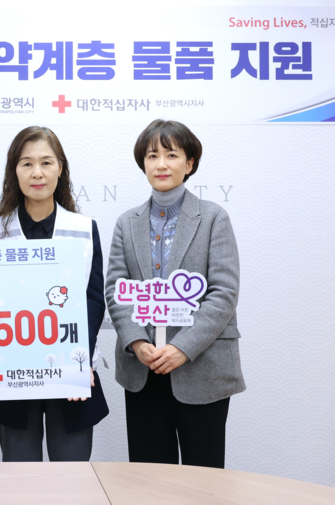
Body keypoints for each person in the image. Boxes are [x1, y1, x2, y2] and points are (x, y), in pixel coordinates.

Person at [105, 119, 245, 468]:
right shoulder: (126, 222)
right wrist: (138, 342)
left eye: (171, 155)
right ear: (143, 164)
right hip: (143, 367)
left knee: (203, 477)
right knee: (150, 477)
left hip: (202, 367)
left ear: (189, 163)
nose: (161, 164)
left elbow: (224, 292)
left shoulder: (213, 218)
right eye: (152, 156)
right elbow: (117, 289)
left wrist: (183, 347)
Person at [0, 126, 108, 462]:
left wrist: (79, 359)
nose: (37, 173)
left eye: (46, 162)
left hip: (70, 370)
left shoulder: (83, 229)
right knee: (20, 480)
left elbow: (93, 300)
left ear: (60, 168)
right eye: (27, 163)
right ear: (14, 171)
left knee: (72, 478)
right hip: (12, 374)